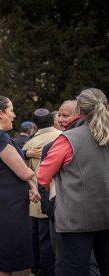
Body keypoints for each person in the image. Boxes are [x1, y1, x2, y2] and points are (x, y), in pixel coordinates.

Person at [37, 88, 109, 276]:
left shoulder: (68, 139)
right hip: (106, 214)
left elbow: (43, 176)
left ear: (79, 110)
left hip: (75, 218)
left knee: (73, 269)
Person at [0, 95, 40, 276]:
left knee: (4, 258)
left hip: (7, 203)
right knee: (7, 262)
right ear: (0, 113)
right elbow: (23, 172)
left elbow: (15, 169)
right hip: (7, 206)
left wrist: (32, 186)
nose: (14, 115)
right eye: (11, 110)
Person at [22, 108, 61, 276]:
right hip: (61, 195)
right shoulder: (63, 137)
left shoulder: (29, 144)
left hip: (37, 197)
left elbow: (25, 173)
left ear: (35, 124)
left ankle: (40, 270)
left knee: (41, 238)